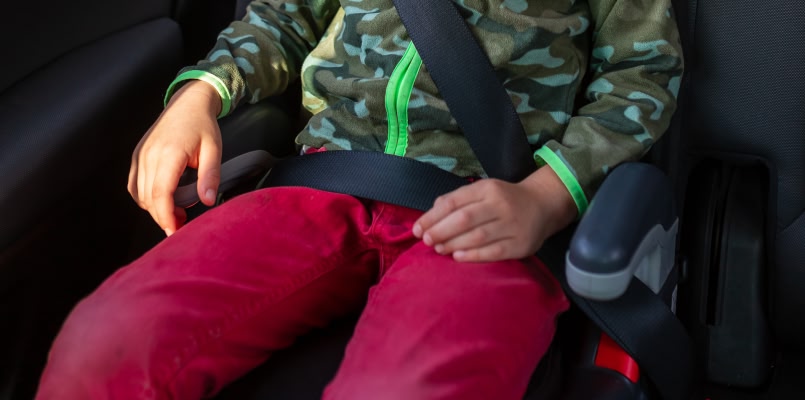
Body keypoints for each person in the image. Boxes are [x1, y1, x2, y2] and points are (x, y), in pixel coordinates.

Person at [36, 1, 683, 399]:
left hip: (489, 208)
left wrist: (545, 198)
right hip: (323, 177)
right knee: (105, 341)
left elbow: (642, 75)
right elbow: (283, 19)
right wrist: (199, 95)